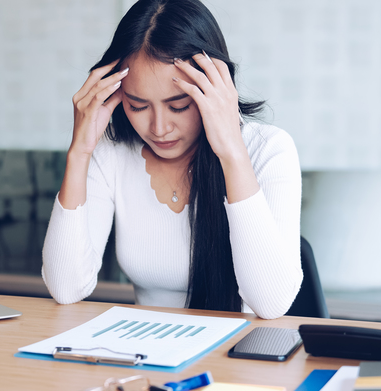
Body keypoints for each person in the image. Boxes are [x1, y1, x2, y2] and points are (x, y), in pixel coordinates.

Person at [42, 0, 303, 319]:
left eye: (178, 105)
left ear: (216, 87)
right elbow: (66, 288)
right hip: (148, 356)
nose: (159, 128)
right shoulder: (111, 153)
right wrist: (79, 152)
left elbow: (272, 303)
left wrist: (232, 153)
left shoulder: (269, 150)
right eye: (138, 106)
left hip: (239, 360)